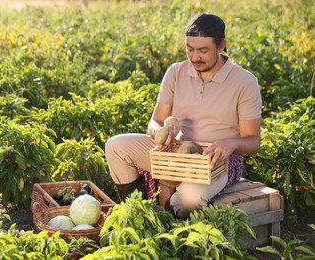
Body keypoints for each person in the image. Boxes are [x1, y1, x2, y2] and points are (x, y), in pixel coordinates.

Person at [105, 13, 262, 219]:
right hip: (176, 152)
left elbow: (253, 141)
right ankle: (140, 214)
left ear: (221, 45)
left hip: (214, 160)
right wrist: (160, 131)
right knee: (116, 146)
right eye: (190, 49)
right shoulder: (175, 72)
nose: (195, 57)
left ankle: (169, 218)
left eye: (203, 50)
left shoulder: (244, 81)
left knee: (189, 198)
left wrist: (230, 144)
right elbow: (156, 120)